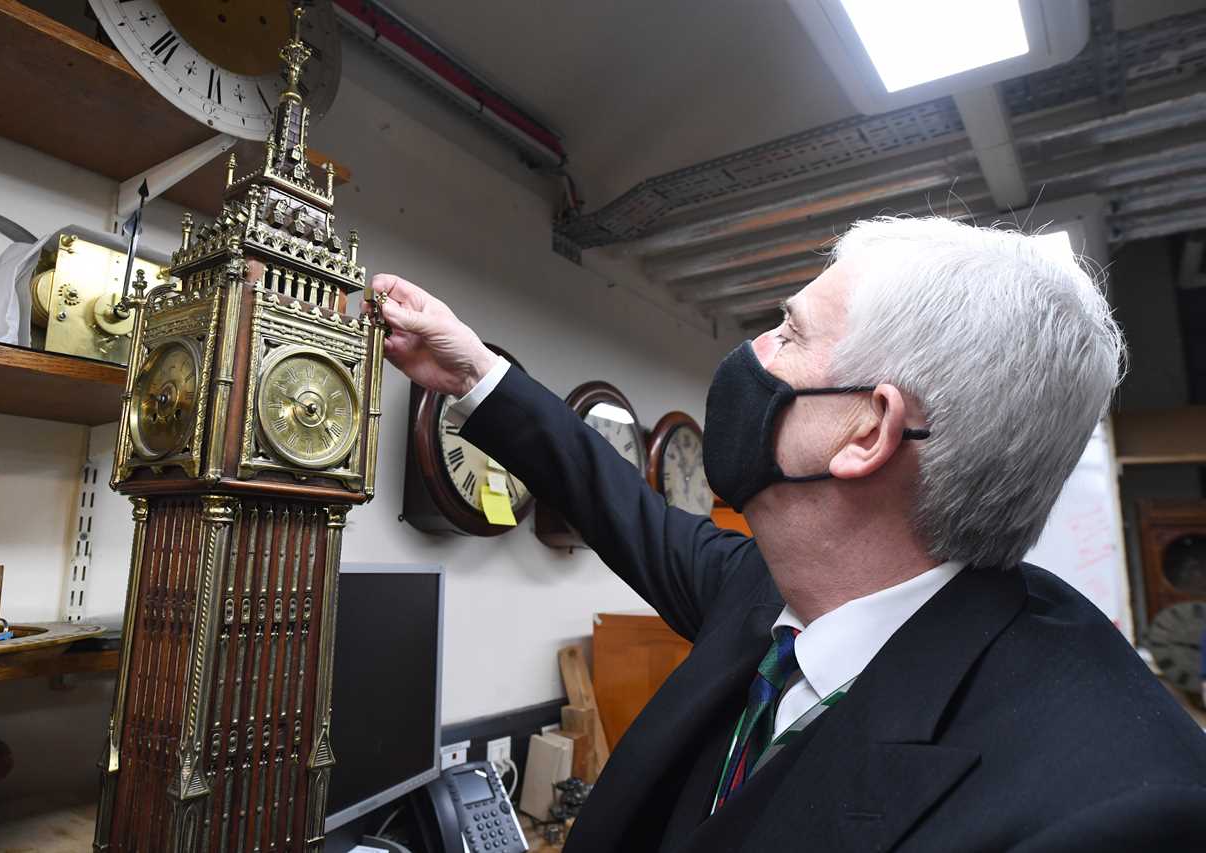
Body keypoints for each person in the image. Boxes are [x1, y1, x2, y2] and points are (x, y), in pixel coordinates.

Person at [370, 217, 1206, 852]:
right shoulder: (778, 590)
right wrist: (477, 375)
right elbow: (627, 511)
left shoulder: (1117, 806)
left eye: (791, 332)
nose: (753, 351)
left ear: (866, 431)